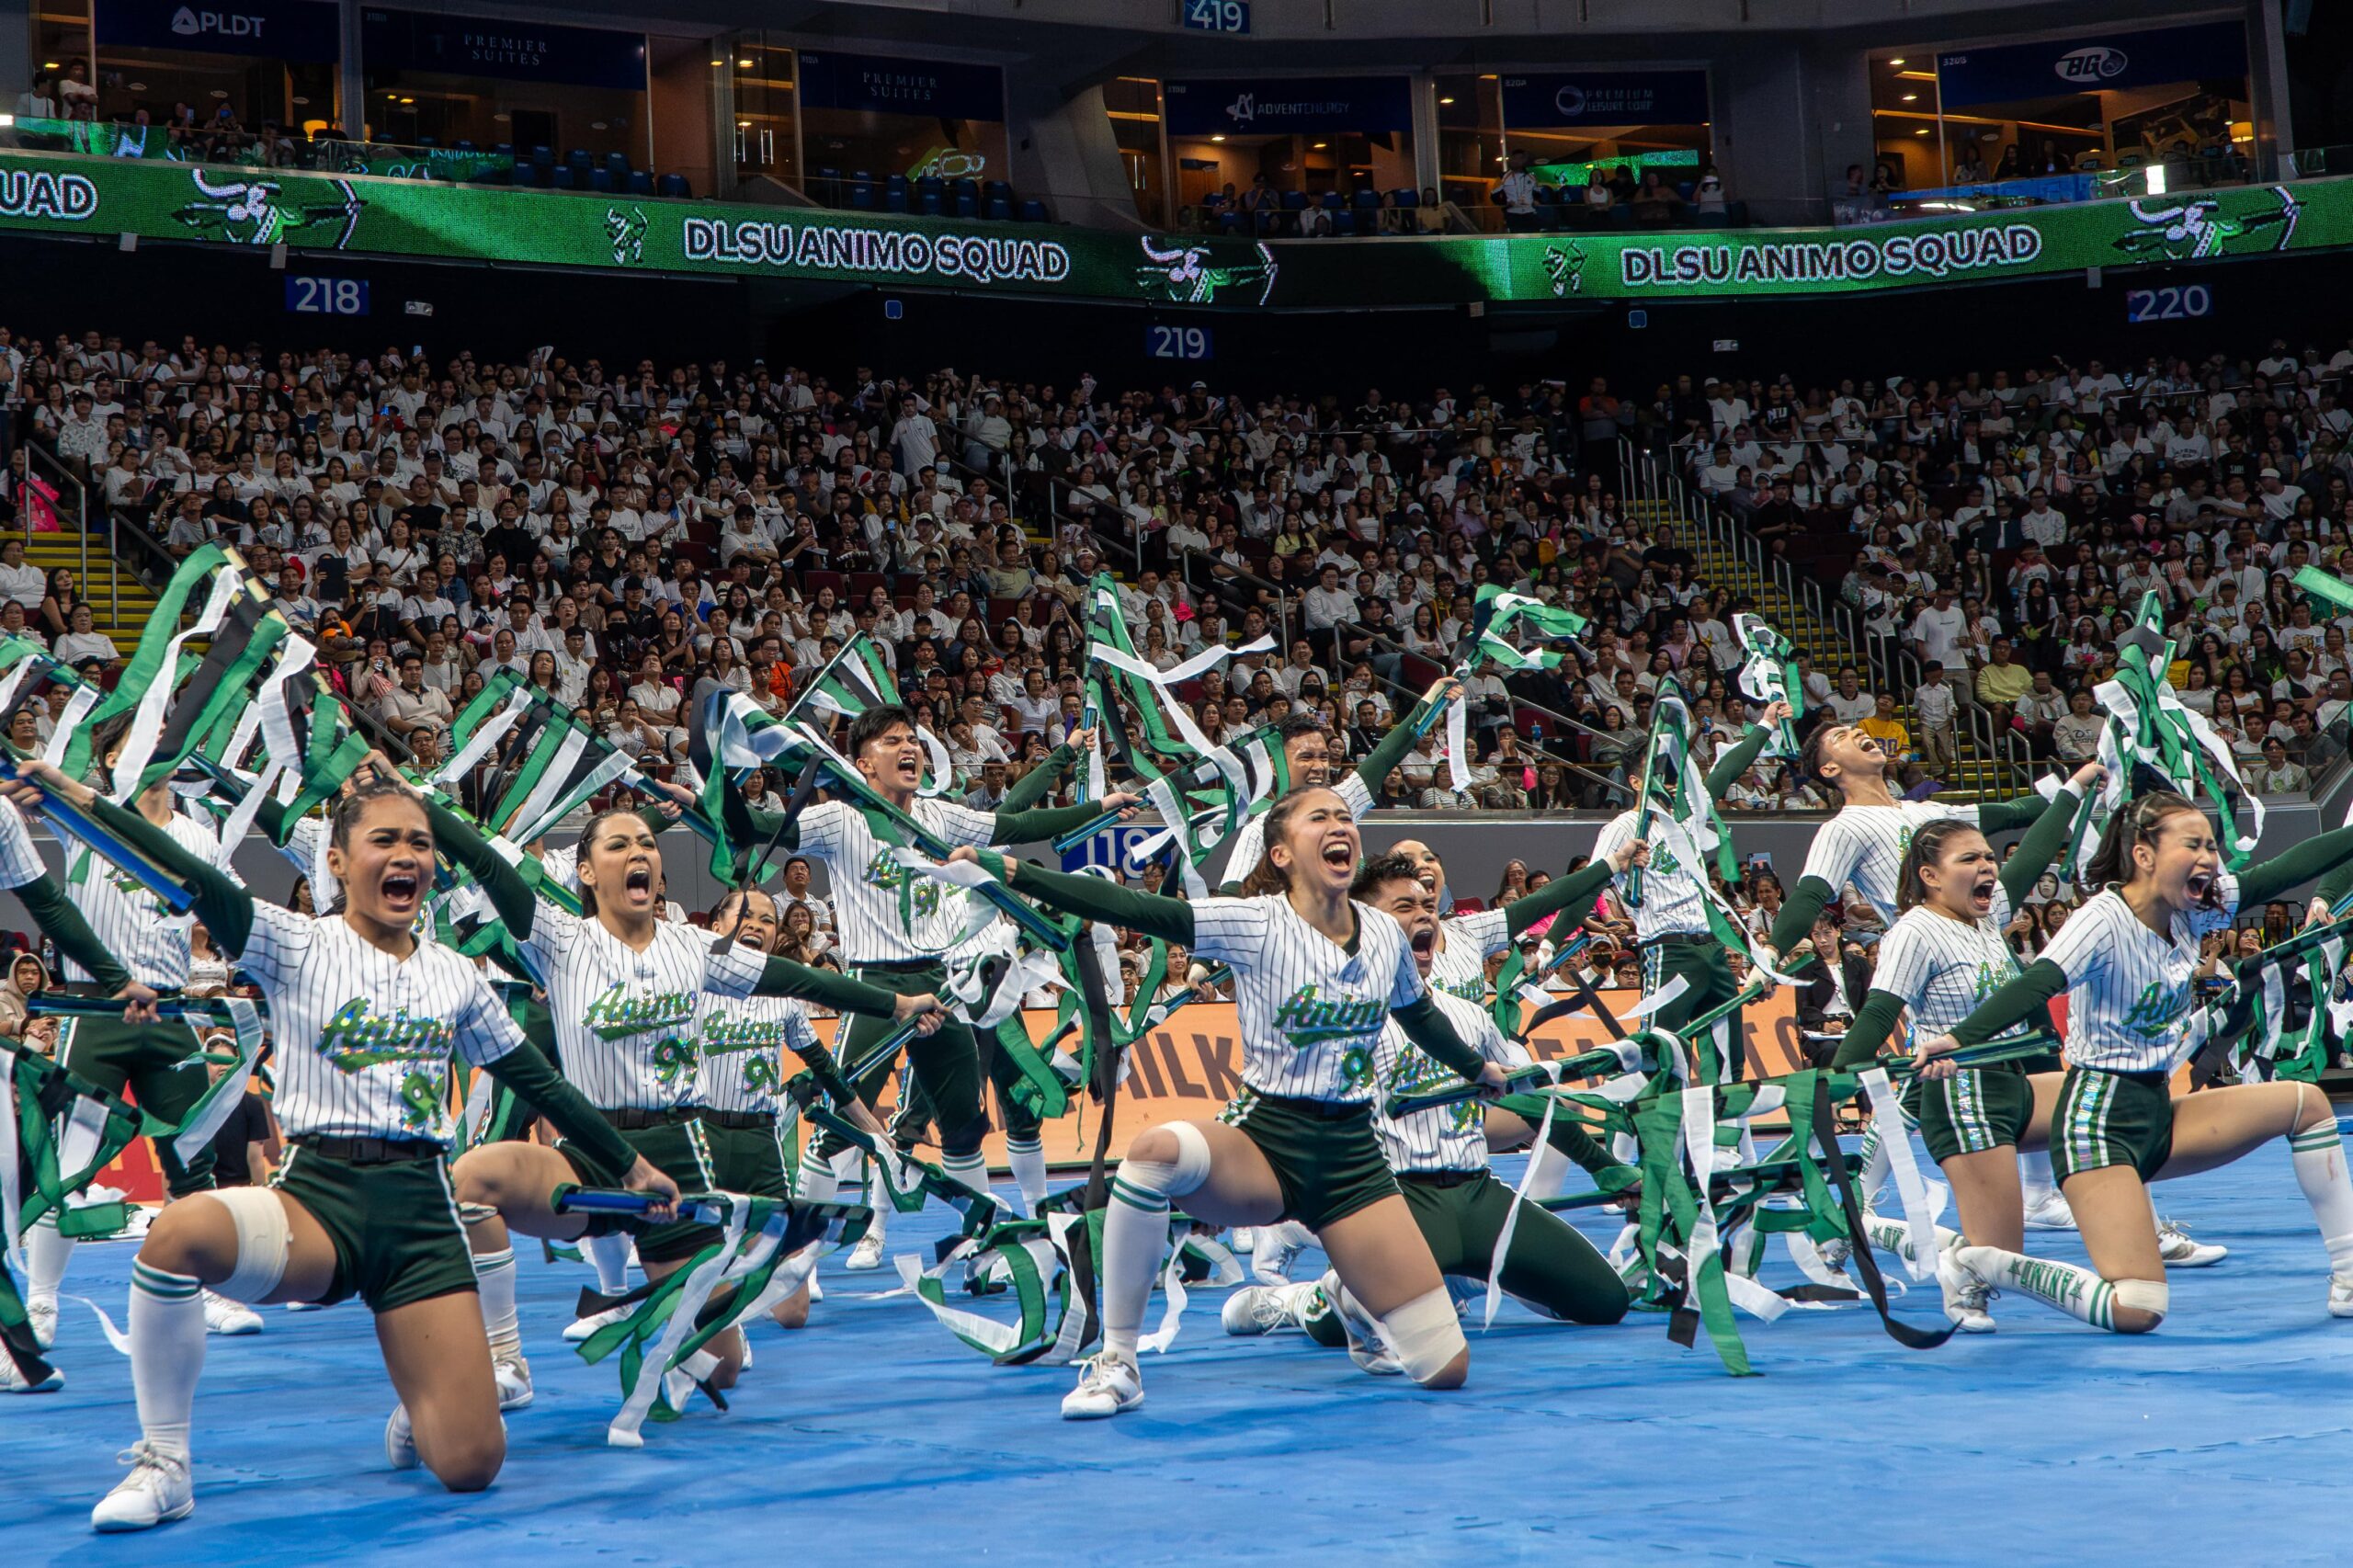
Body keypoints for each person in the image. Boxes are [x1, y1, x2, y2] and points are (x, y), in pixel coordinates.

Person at [0, 769, 676, 1528]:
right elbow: (183, 873)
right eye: (383, 840)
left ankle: (425, 1401)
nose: (406, 856)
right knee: (174, 1235)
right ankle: (166, 1462)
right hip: (319, 1202)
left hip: (423, 1216)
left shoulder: (457, 975)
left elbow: (541, 1083)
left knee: (470, 1467)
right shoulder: (290, 943)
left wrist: (631, 1165)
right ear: (335, 860)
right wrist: (77, 801)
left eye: (419, 843)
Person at [943, 786, 1507, 1419]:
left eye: (1345, 816)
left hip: (1355, 1162)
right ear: (1283, 853)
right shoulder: (1254, 920)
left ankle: (1335, 1304)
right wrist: (1019, 872)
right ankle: (1119, 1359)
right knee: (1154, 1155)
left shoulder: (1384, 934)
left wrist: (1478, 1067)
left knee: (1446, 1371)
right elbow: (1135, 906)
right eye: (1318, 816)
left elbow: (1421, 1015)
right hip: (1268, 1141)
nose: (1338, 824)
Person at [438, 797, 926, 1399]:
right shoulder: (558, 937)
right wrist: (417, 806)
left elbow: (794, 979)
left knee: (722, 1367)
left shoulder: (693, 947)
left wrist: (894, 1004)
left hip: (680, 1159)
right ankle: (507, 1360)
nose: (638, 852)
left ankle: (675, 1317)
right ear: (585, 871)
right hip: (590, 1151)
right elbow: (487, 866)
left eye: (646, 842)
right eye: (617, 845)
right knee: (473, 1180)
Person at [1919, 794, 2353, 1334]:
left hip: (2156, 1106)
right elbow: (2038, 983)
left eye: (2212, 845)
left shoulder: (2197, 904)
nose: (2209, 857)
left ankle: (2349, 1276)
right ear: (2144, 855)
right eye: (2192, 844)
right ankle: (1979, 1261)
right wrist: (1958, 1038)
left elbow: (2286, 870)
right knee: (2139, 1307)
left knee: (2305, 1104)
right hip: (2096, 1127)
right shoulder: (2101, 918)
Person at [748, 706, 1136, 1231]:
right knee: (842, 1123)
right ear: (863, 763)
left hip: (946, 984)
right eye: (892, 741)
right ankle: (800, 1246)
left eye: (912, 740)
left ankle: (975, 1239)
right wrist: (714, 790)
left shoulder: (939, 815)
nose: (909, 748)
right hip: (874, 986)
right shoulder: (840, 819)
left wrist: (1098, 808)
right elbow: (759, 827)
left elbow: (1018, 822)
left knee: (964, 1127)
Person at [1221, 854, 1632, 1347]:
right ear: (1366, 925)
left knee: (1605, 1302)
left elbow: (1533, 1095)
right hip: (1395, 1201)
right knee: (1342, 1331)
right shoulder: (1339, 1014)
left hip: (1478, 1193)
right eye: (1403, 907)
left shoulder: (1466, 1013)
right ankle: (1293, 1299)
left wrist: (1605, 1167)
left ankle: (1460, 1277)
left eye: (1426, 904)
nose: (1424, 915)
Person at [1826, 762, 2143, 1331]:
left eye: (1987, 857)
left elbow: (2031, 855)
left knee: (2108, 1112)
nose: (1988, 867)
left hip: (2011, 1081)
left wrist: (2076, 787)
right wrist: (1841, 1077)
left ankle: (2136, 1232)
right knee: (1998, 1257)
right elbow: (1879, 1014)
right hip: (1958, 1091)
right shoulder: (1913, 931)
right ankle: (1863, 1225)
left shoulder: (1986, 915)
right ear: (1929, 875)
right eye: (1969, 859)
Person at [1767, 719, 2075, 1227]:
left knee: (2042, 1060)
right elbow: (1810, 892)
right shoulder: (1844, 826)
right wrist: (1773, 949)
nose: (1858, 732)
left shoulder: (1928, 811)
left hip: (1989, 937)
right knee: (1920, 1083)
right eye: (1842, 736)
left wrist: (2080, 784)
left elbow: (2015, 813)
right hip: (1934, 950)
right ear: (1829, 768)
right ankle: (1856, 1194)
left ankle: (2039, 1196)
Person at [1216, 678, 1461, 895]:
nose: (1318, 766)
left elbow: (1387, 754)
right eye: (1306, 757)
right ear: (1275, 764)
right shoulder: (1260, 829)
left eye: (1323, 757)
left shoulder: (1341, 801)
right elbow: (1230, 898)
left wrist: (1432, 699)